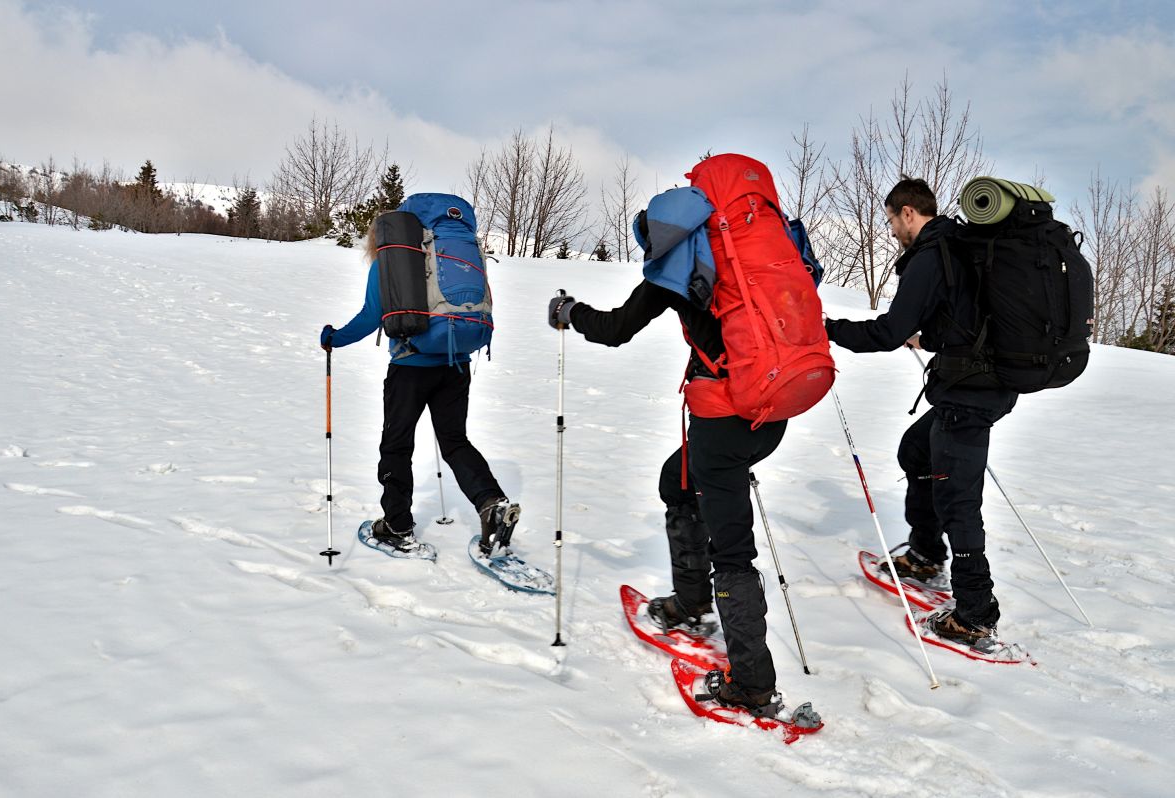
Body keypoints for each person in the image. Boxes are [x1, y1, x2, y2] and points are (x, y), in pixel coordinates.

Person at [547, 243, 793, 718]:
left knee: (732, 548)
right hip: (773, 412)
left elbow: (615, 329)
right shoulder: (762, 259)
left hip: (724, 417)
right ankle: (692, 599)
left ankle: (752, 685)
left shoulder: (680, 267)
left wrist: (569, 312)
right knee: (677, 480)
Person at [824, 177, 1017, 645]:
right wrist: (928, 338)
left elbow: (887, 332)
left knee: (959, 500)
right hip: (981, 382)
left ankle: (975, 614)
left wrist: (827, 328)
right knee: (916, 451)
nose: (891, 229)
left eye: (891, 220)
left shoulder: (931, 254)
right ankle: (927, 553)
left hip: (971, 390)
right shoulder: (956, 246)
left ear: (908, 212)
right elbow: (968, 317)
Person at [320, 203, 518, 557]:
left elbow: (370, 316)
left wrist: (334, 339)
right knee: (455, 442)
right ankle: (491, 503)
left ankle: (397, 526)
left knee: (397, 445)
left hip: (411, 366)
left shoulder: (393, 260)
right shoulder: (452, 256)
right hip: (455, 364)